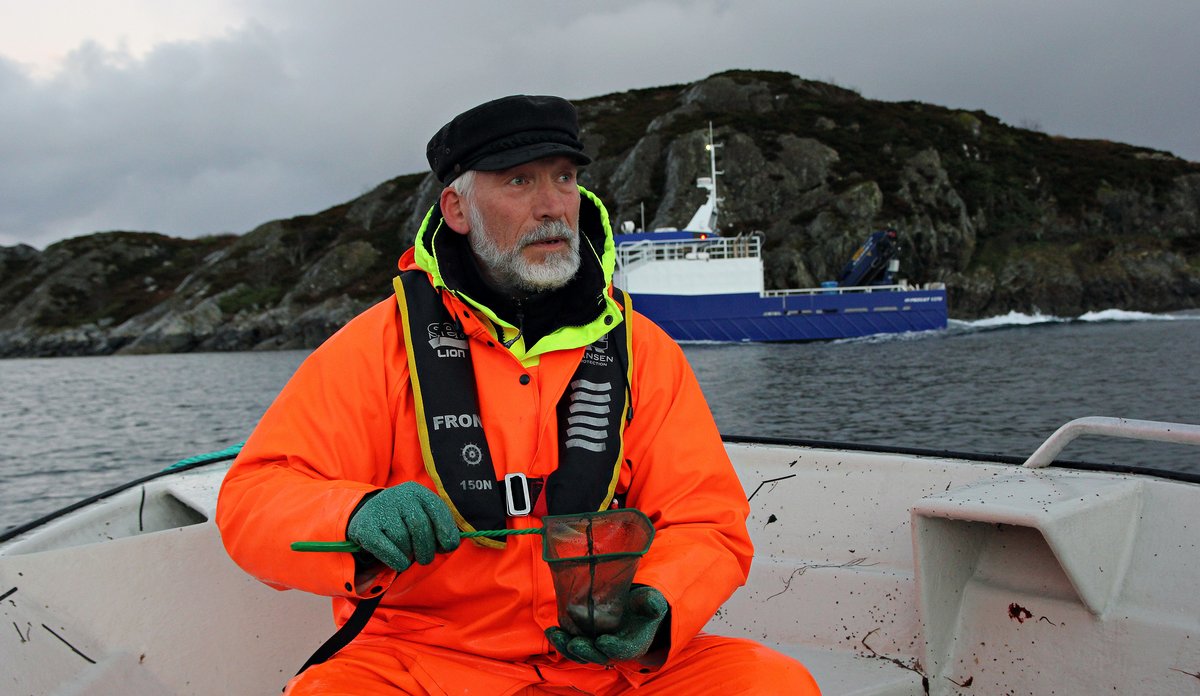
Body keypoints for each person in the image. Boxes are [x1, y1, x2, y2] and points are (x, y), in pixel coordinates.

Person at [216, 94, 819, 695]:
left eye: (564, 178)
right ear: (456, 208)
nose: (553, 206)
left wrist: (656, 601)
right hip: (422, 664)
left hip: (605, 668)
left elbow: (706, 518)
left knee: (774, 684)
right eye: (519, 181)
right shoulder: (377, 347)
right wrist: (353, 516)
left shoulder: (643, 350)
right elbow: (252, 499)